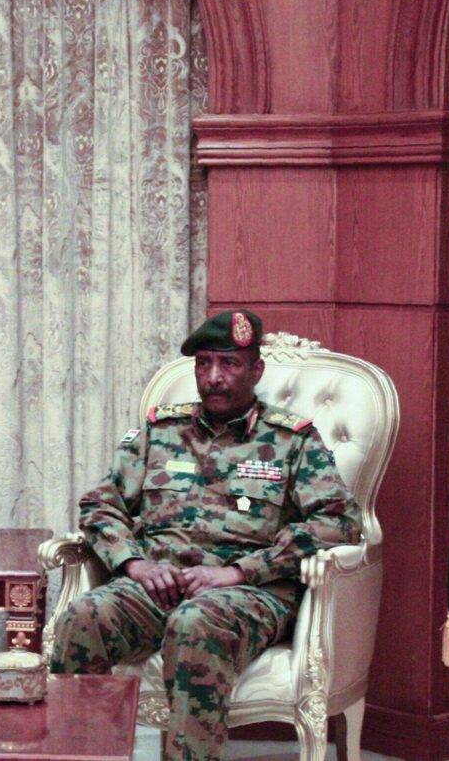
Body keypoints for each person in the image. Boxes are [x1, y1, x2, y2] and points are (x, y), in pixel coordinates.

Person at [50, 310, 361, 761]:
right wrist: (134, 564)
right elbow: (100, 504)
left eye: (229, 365)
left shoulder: (293, 441)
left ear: (256, 370)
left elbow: (337, 520)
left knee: (196, 624)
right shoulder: (160, 432)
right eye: (204, 364)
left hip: (247, 593)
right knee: (83, 617)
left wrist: (240, 571)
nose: (214, 378)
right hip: (157, 583)